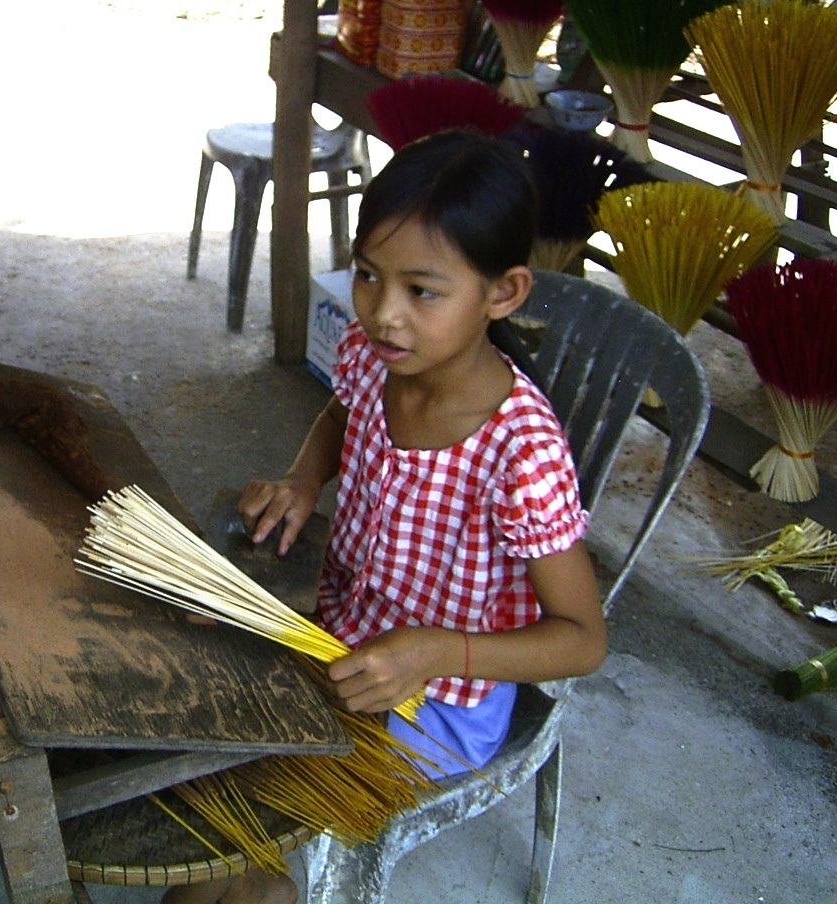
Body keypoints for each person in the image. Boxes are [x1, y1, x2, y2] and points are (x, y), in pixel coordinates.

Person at [170, 130, 607, 904]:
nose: (382, 314)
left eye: (421, 290)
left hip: (435, 698)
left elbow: (581, 641)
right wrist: (304, 480)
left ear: (502, 294)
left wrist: (435, 652)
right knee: (185, 730)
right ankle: (249, 885)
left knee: (232, 815)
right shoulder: (377, 357)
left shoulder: (520, 451)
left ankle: (255, 886)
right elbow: (344, 414)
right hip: (339, 629)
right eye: (368, 277)